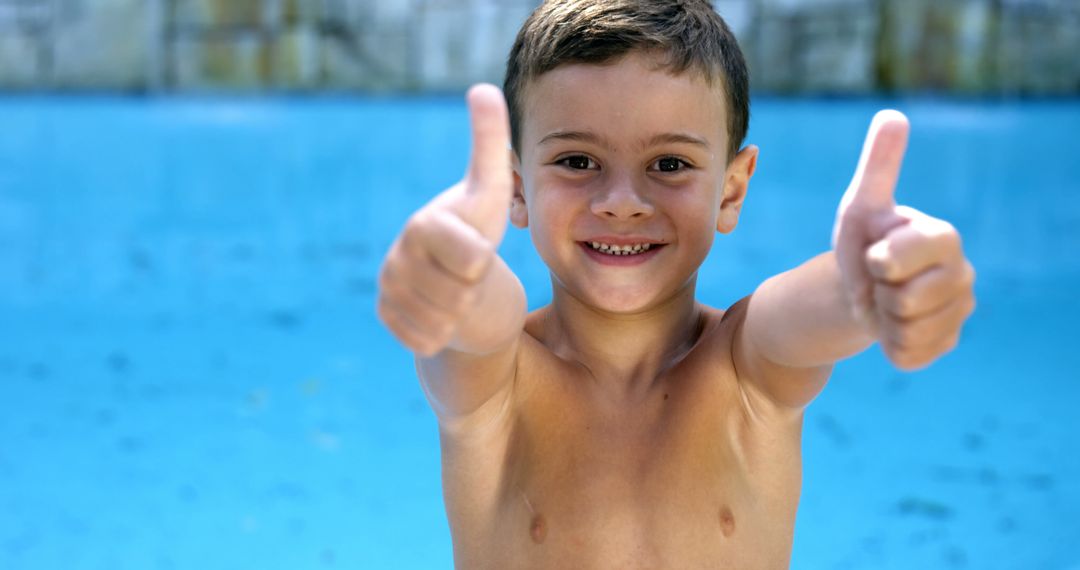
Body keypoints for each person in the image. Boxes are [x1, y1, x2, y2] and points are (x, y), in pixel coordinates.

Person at [376, 0, 976, 567]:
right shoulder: (495, 386)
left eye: (669, 165)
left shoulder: (747, 368)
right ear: (516, 185)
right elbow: (480, 323)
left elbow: (804, 314)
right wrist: (454, 274)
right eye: (577, 161)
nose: (621, 203)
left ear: (731, 189)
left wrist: (867, 283)